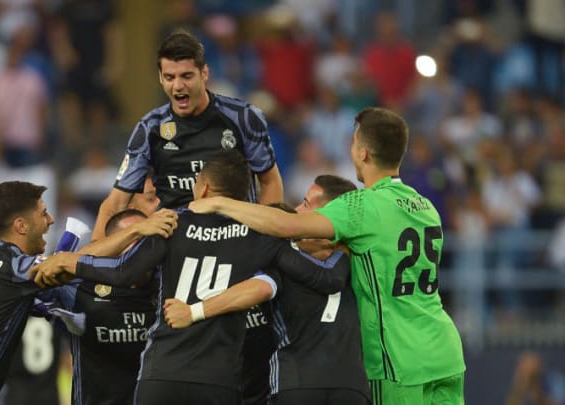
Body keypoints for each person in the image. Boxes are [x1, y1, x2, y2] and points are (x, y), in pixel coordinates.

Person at [189, 107, 466, 405]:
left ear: (362, 153)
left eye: (353, 142)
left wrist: (220, 204)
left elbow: (288, 225)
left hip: (400, 359)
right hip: (446, 350)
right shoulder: (425, 206)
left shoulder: (360, 206)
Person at [31, 150, 349, 405]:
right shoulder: (262, 235)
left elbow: (123, 270)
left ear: (204, 188)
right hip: (218, 380)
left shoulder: (172, 222)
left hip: (161, 374)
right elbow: (321, 278)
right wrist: (340, 249)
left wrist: (70, 262)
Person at [0, 181, 177, 405]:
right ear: (21, 225)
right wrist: (138, 230)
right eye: (43, 213)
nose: (51, 220)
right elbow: (68, 262)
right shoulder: (18, 269)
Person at [165, 175, 370, 405]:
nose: (296, 210)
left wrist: (193, 312)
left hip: (296, 383)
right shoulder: (362, 260)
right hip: (352, 386)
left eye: (305, 203)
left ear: (331, 216)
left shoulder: (282, 260)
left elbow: (256, 290)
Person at [91, 29, 283, 241]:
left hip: (235, 240)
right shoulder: (150, 128)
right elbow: (116, 202)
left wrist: (265, 241)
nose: (178, 85)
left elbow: (270, 181)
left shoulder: (244, 118)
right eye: (169, 77)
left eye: (186, 76)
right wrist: (92, 256)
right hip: (176, 242)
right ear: (160, 79)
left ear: (205, 74)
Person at [50, 209, 157, 405]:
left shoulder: (168, 284)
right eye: (133, 239)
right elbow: (45, 277)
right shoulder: (82, 288)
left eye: (147, 241)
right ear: (112, 246)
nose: (141, 251)